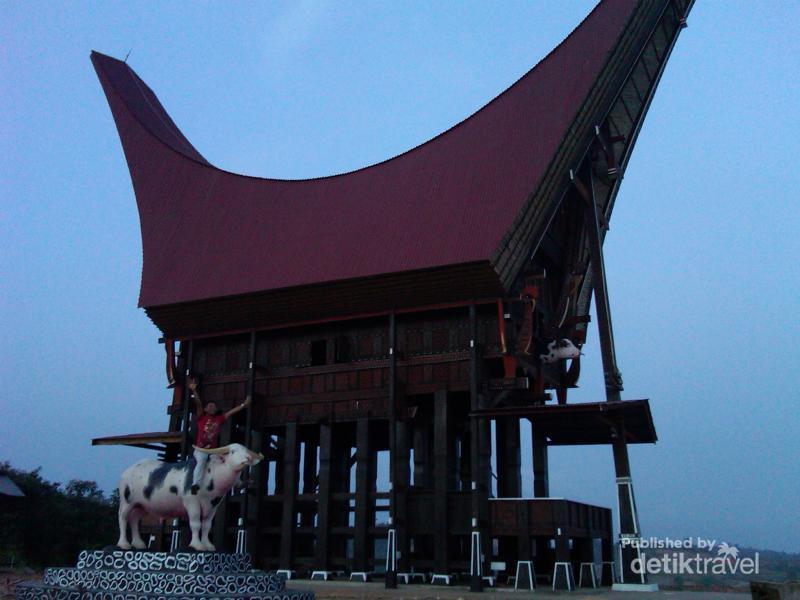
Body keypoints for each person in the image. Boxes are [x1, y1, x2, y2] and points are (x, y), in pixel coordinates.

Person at [188, 376, 251, 494]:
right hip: (200, 449)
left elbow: (231, 412)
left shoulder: (219, 419)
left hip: (213, 450)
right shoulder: (202, 417)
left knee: (228, 461)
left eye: (214, 406)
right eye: (210, 406)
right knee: (201, 462)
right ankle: (195, 485)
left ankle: (238, 483)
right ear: (206, 409)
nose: (212, 407)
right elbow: (198, 403)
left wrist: (244, 405)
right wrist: (193, 390)